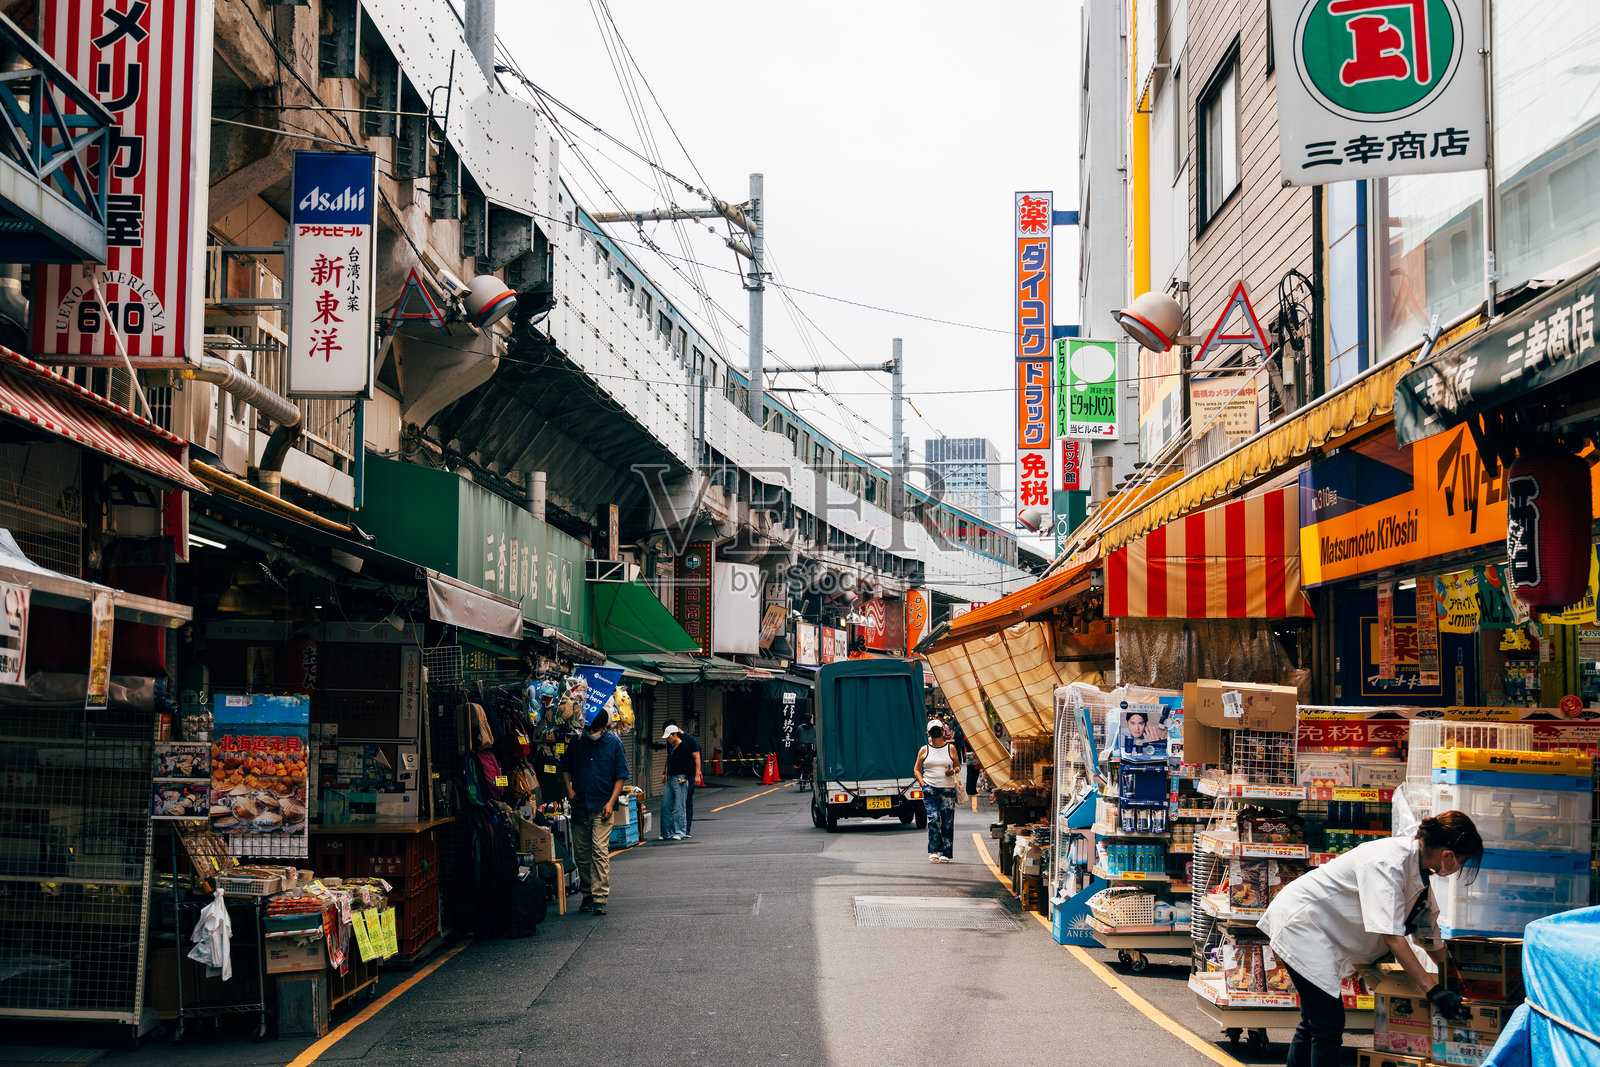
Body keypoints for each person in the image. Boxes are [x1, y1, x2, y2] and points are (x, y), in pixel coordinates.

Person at [1258, 812, 1484, 1067]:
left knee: (1314, 1022)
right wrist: (1433, 990)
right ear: (1447, 855)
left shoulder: (1419, 873)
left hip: (1320, 932)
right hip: (1302, 925)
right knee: (1327, 1023)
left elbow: (1428, 935)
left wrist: (1460, 980)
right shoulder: (1388, 863)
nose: (1460, 868)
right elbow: (1393, 938)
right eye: (1461, 861)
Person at [559, 708, 629, 916]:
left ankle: (600, 898)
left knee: (599, 851)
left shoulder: (614, 743)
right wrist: (569, 789)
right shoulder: (577, 741)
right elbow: (565, 767)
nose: (592, 732)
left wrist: (611, 802)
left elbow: (621, 775)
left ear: (603, 727)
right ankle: (587, 895)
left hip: (602, 806)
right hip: (580, 804)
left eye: (596, 729)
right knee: (582, 855)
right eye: (589, 728)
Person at [913, 721, 959, 862]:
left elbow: (957, 766)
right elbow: (916, 769)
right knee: (934, 819)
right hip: (930, 789)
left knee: (947, 821)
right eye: (933, 730)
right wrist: (923, 784)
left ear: (942, 731)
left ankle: (946, 853)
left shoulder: (950, 748)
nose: (935, 732)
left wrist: (952, 771)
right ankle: (934, 850)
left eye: (937, 729)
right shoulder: (924, 750)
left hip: (947, 789)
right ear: (928, 733)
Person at [659, 725, 693, 841]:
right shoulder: (671, 746)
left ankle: (680, 832)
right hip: (670, 778)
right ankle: (665, 832)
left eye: (669, 737)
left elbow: (691, 763)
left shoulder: (684, 747)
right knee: (665, 806)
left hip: (680, 779)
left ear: (674, 734)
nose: (667, 739)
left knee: (679, 806)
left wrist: (687, 778)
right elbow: (668, 760)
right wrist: (664, 773)